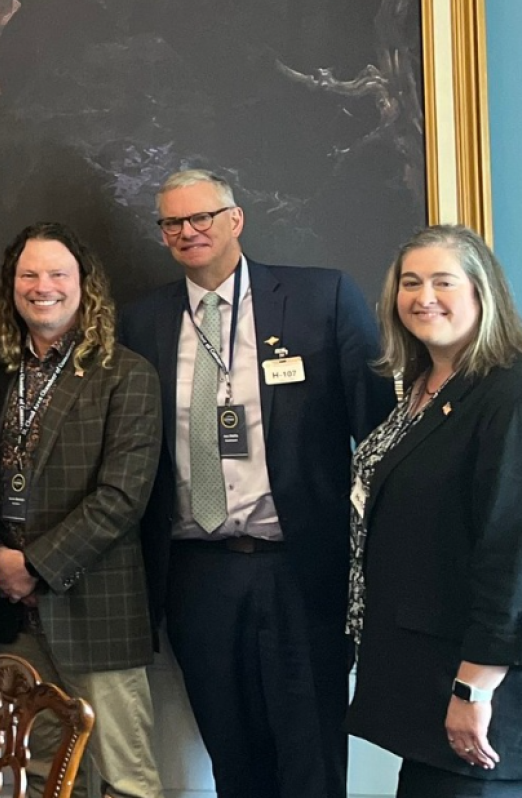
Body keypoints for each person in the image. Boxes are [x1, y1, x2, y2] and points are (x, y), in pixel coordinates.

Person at [117, 169, 394, 798]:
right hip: (196, 575)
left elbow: (381, 437)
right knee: (233, 759)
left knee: (312, 757)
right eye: (172, 223)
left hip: (299, 569)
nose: (188, 232)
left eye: (202, 218)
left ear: (235, 219)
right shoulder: (143, 322)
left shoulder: (320, 298)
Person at [347, 225, 522, 797]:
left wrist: (474, 690)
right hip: (428, 682)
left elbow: (520, 554)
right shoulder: (421, 386)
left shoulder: (520, 394)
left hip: (487, 696)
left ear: (483, 292)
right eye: (410, 283)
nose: (423, 296)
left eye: (443, 281)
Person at [0, 223, 163, 798]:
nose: (42, 287)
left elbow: (121, 498)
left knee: (124, 779)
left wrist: (30, 566)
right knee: (36, 778)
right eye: (28, 275)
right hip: (14, 621)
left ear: (86, 287)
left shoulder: (127, 375)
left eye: (58, 274)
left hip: (95, 611)